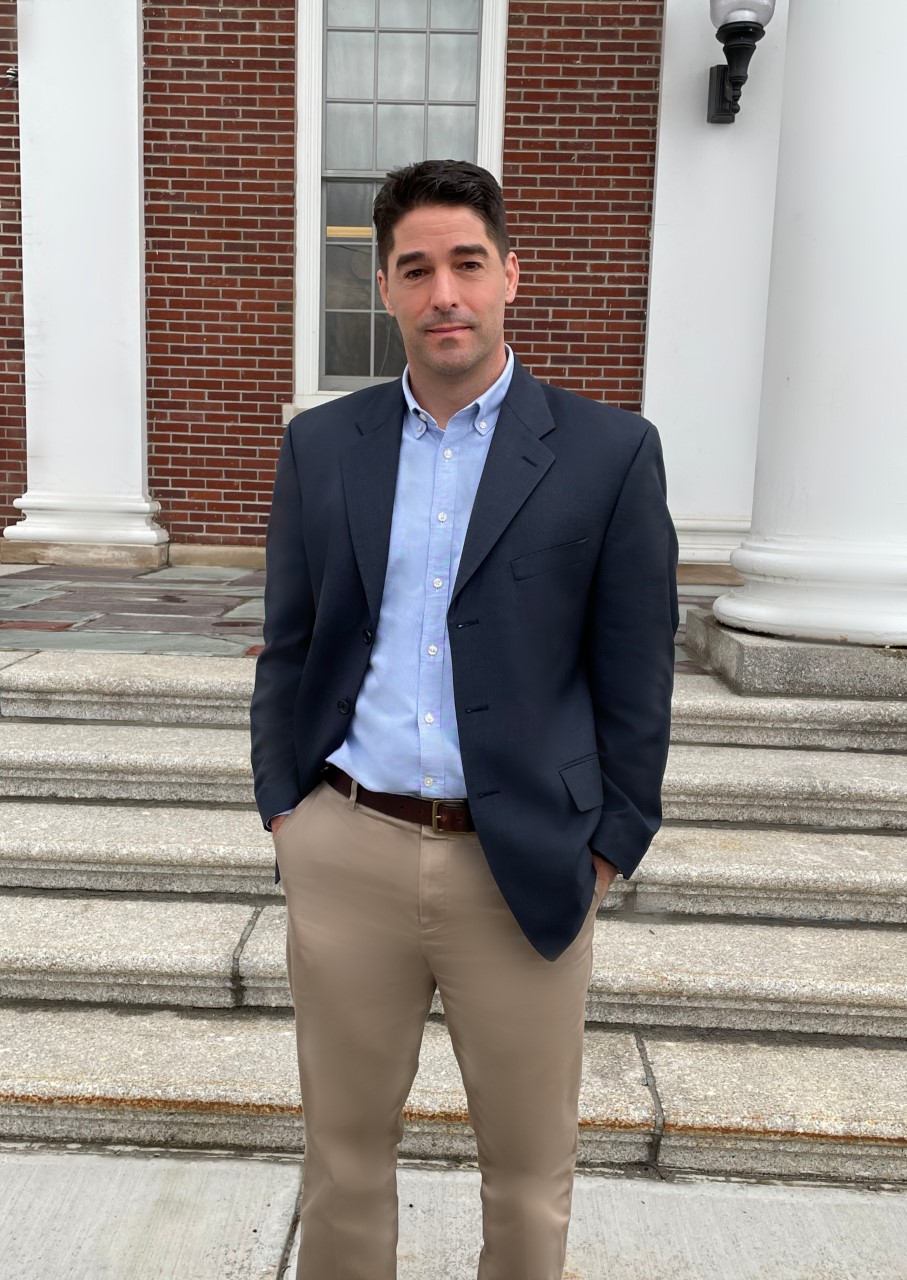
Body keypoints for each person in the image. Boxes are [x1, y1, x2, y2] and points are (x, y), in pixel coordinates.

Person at [250, 159, 678, 1280]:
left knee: (528, 1176)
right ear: (384, 288)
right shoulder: (322, 444)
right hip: (348, 844)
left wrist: (611, 842)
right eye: (416, 268)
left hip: (527, 859)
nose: (445, 292)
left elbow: (636, 672)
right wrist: (286, 814)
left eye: (467, 264)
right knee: (341, 1156)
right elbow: (289, 643)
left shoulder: (608, 453)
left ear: (509, 278)